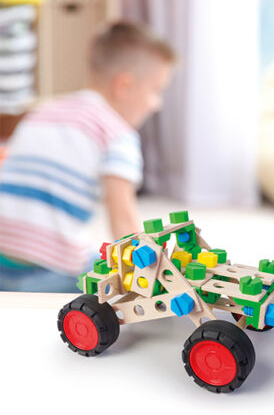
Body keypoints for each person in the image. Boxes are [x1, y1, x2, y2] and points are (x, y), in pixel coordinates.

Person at [0, 21, 175, 292]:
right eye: (156, 90)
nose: (157, 104)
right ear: (124, 85)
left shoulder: (41, 111)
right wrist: (153, 275)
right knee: (105, 266)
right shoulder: (117, 134)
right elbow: (124, 223)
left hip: (3, 261)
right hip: (49, 273)